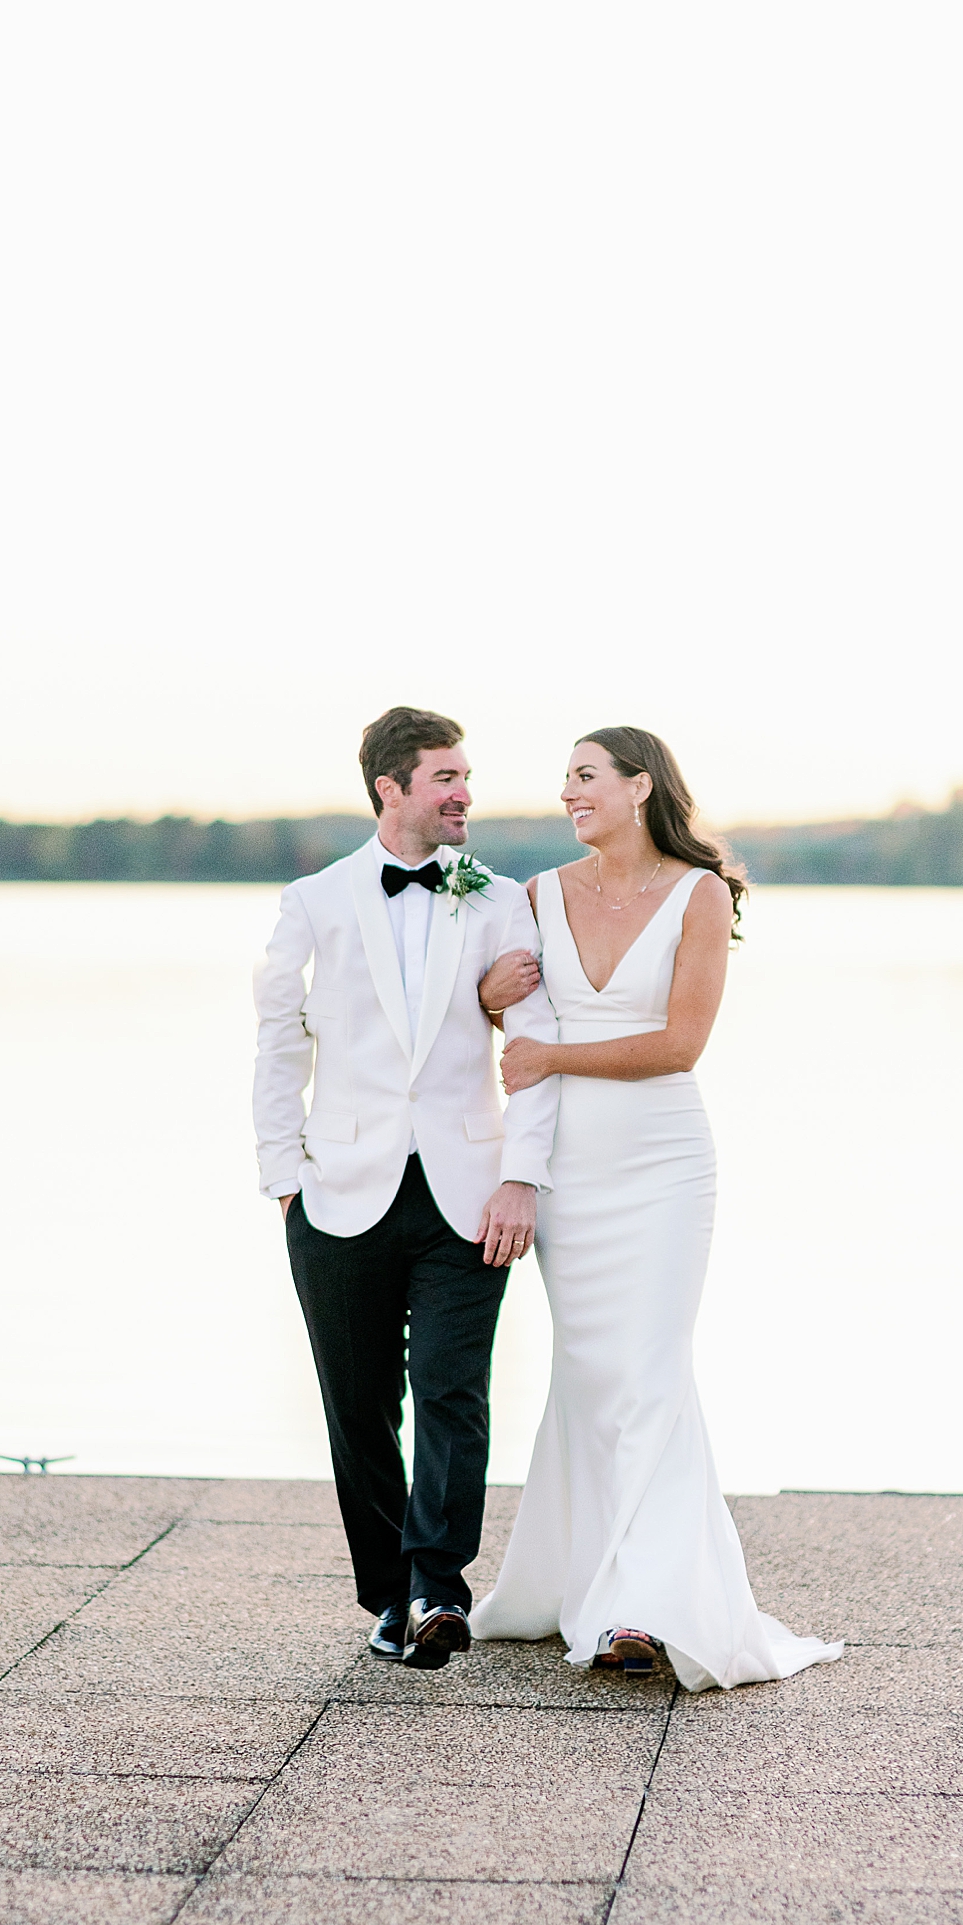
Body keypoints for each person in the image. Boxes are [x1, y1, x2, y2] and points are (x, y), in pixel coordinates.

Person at [469, 727, 842, 1691]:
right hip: (569, 1173)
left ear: (641, 787)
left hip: (664, 1166)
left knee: (648, 1370)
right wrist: (486, 996)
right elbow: (509, 1018)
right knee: (593, 1374)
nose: (568, 794)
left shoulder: (699, 892)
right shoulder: (537, 896)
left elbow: (680, 1043)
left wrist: (550, 1057)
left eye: (586, 777)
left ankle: (645, 1608)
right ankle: (583, 1578)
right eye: (565, 781)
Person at [252, 707, 559, 1668]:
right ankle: (389, 1595)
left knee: (453, 1394)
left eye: (467, 776)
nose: (465, 792)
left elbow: (539, 1054)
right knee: (359, 1405)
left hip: (470, 1192)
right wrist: (282, 1178)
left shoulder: (501, 898)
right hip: (338, 1191)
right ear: (391, 789)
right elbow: (277, 1040)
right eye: (445, 778)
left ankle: (438, 1589)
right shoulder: (315, 900)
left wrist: (522, 1176)